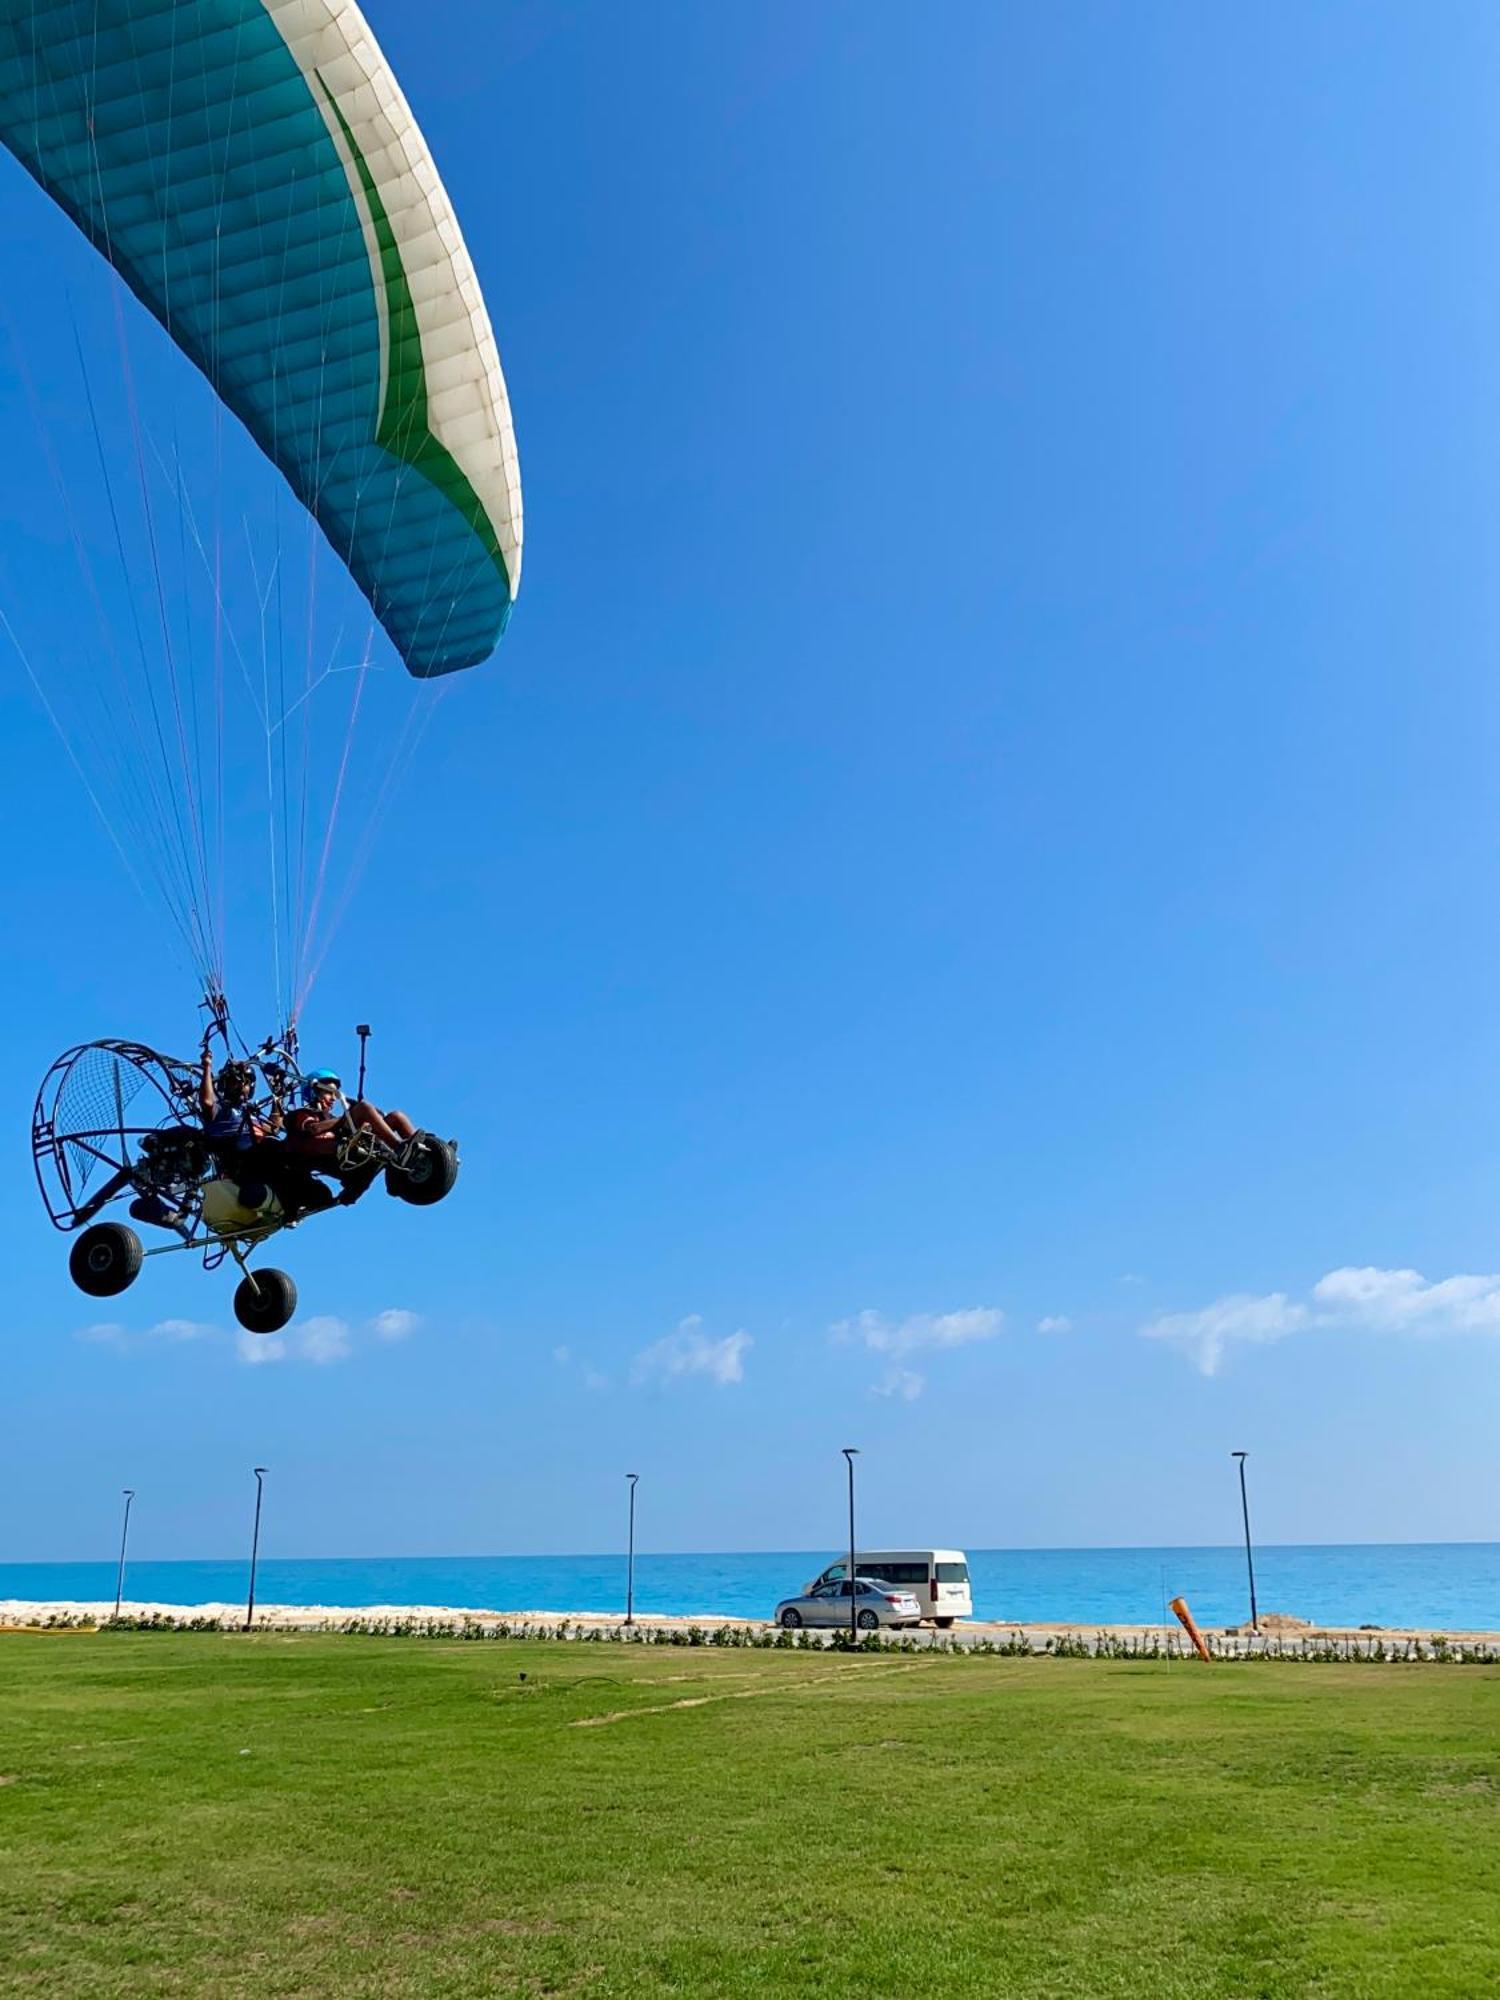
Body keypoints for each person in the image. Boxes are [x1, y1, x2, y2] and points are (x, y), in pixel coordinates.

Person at [284, 1068, 420, 1206]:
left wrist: (363, 1122)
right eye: (329, 1093)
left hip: (355, 1156)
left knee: (396, 1117)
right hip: (333, 1156)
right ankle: (400, 1148)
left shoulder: (332, 1119)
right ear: (314, 1092)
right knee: (363, 1108)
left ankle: (424, 1153)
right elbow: (313, 1129)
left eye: (335, 1094)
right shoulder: (302, 1114)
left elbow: (345, 1124)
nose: (333, 1099)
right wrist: (350, 1116)